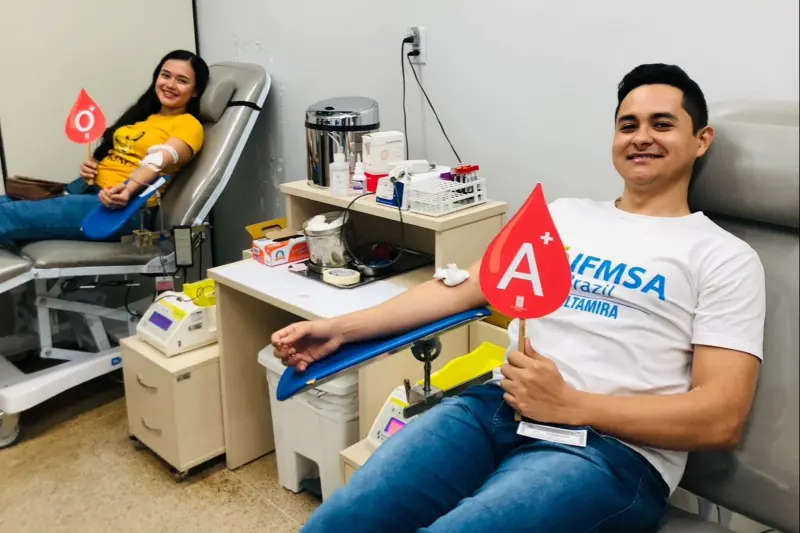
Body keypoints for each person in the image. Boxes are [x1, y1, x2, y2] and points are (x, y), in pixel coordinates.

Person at [271, 64, 766, 533]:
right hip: (496, 408)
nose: (641, 137)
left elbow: (720, 417)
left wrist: (572, 404)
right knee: (345, 518)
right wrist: (341, 329)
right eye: (627, 125)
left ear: (702, 139)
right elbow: (462, 286)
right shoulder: (564, 217)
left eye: (662, 124)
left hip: (612, 452)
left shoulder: (723, 257)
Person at [0, 49, 209, 244]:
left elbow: (160, 160)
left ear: (195, 91)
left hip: (123, 206)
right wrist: (92, 167)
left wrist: (128, 189)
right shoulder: (142, 117)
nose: (170, 84)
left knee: (7, 215)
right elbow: (116, 155)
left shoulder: (189, 125)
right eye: (165, 75)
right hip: (86, 190)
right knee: (3, 203)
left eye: (182, 81)